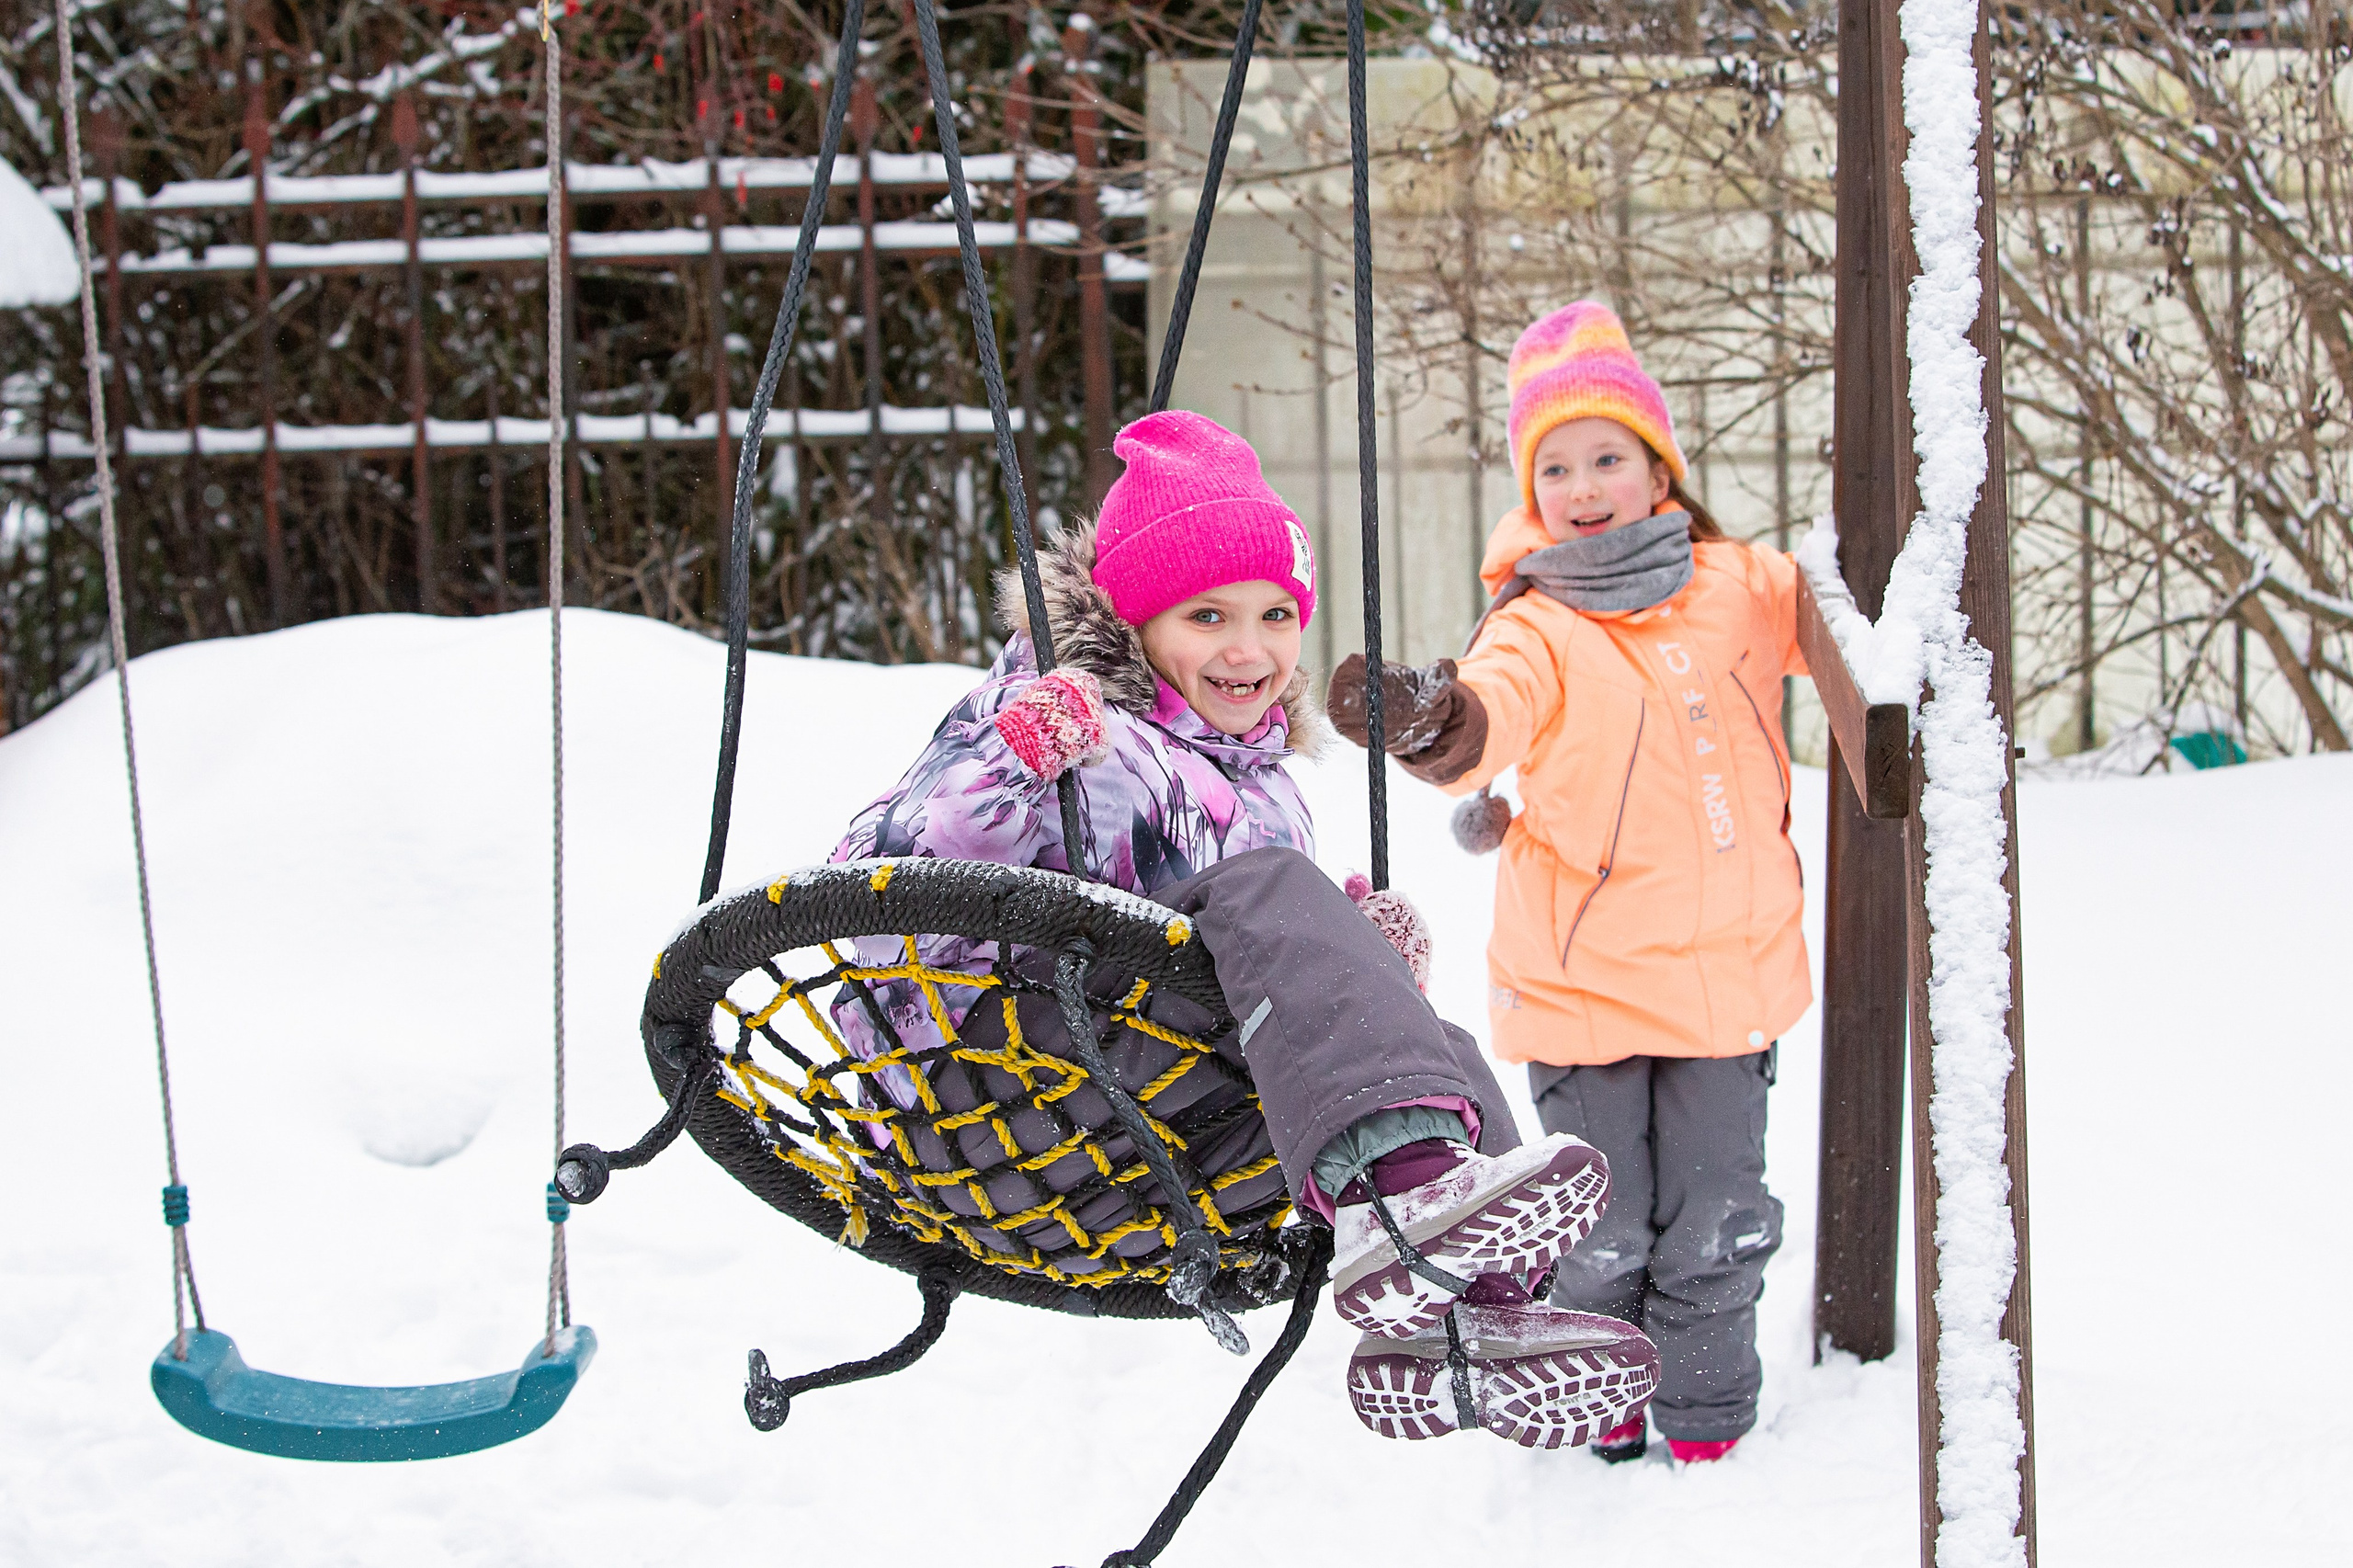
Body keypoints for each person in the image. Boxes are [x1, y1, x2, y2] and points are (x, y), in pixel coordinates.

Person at [830, 408, 1658, 1449]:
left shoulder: (1266, 788)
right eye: (1208, 616)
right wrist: (1012, 757)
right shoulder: (1067, 716)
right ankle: (1401, 1201)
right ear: (1133, 622)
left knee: (1431, 1041)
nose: (1249, 648)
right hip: (996, 1095)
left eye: (1275, 615)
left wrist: (1350, 958)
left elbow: (1248, 957)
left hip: (1150, 1128)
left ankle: (1476, 1309)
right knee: (1271, 889)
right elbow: (880, 877)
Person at [1329, 301, 1808, 1465]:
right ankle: (1604, 1408)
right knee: (1603, 1233)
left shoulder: (1741, 587)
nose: (1583, 484)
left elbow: (1845, 620)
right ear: (1529, 489)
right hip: (1583, 987)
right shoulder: (1536, 622)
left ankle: (1706, 1427)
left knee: (1716, 1219)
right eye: (1556, 466)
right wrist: (1435, 718)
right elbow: (1491, 714)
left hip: (1726, 981)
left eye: (1608, 457)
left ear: (1659, 471)